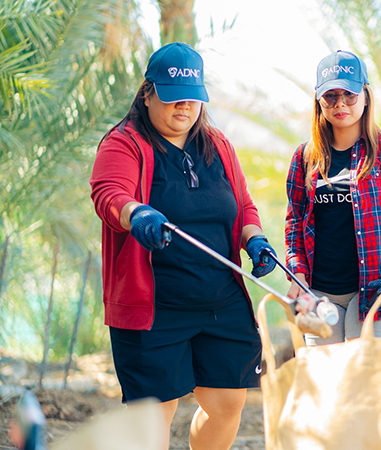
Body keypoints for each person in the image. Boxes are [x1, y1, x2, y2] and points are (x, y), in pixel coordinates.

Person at [90, 42, 278, 450]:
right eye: (173, 98)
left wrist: (255, 239)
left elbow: (243, 205)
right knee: (153, 418)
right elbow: (109, 194)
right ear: (148, 93)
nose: (184, 107)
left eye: (193, 98)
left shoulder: (217, 145)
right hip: (154, 307)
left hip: (220, 299)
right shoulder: (124, 143)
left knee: (227, 402)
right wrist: (137, 215)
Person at [285, 50, 381, 345]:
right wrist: (298, 275)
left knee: (364, 386)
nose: (340, 104)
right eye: (330, 96)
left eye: (349, 94)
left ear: (366, 97)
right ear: (319, 101)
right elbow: (295, 222)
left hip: (375, 290)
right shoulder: (305, 157)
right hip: (320, 296)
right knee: (328, 387)